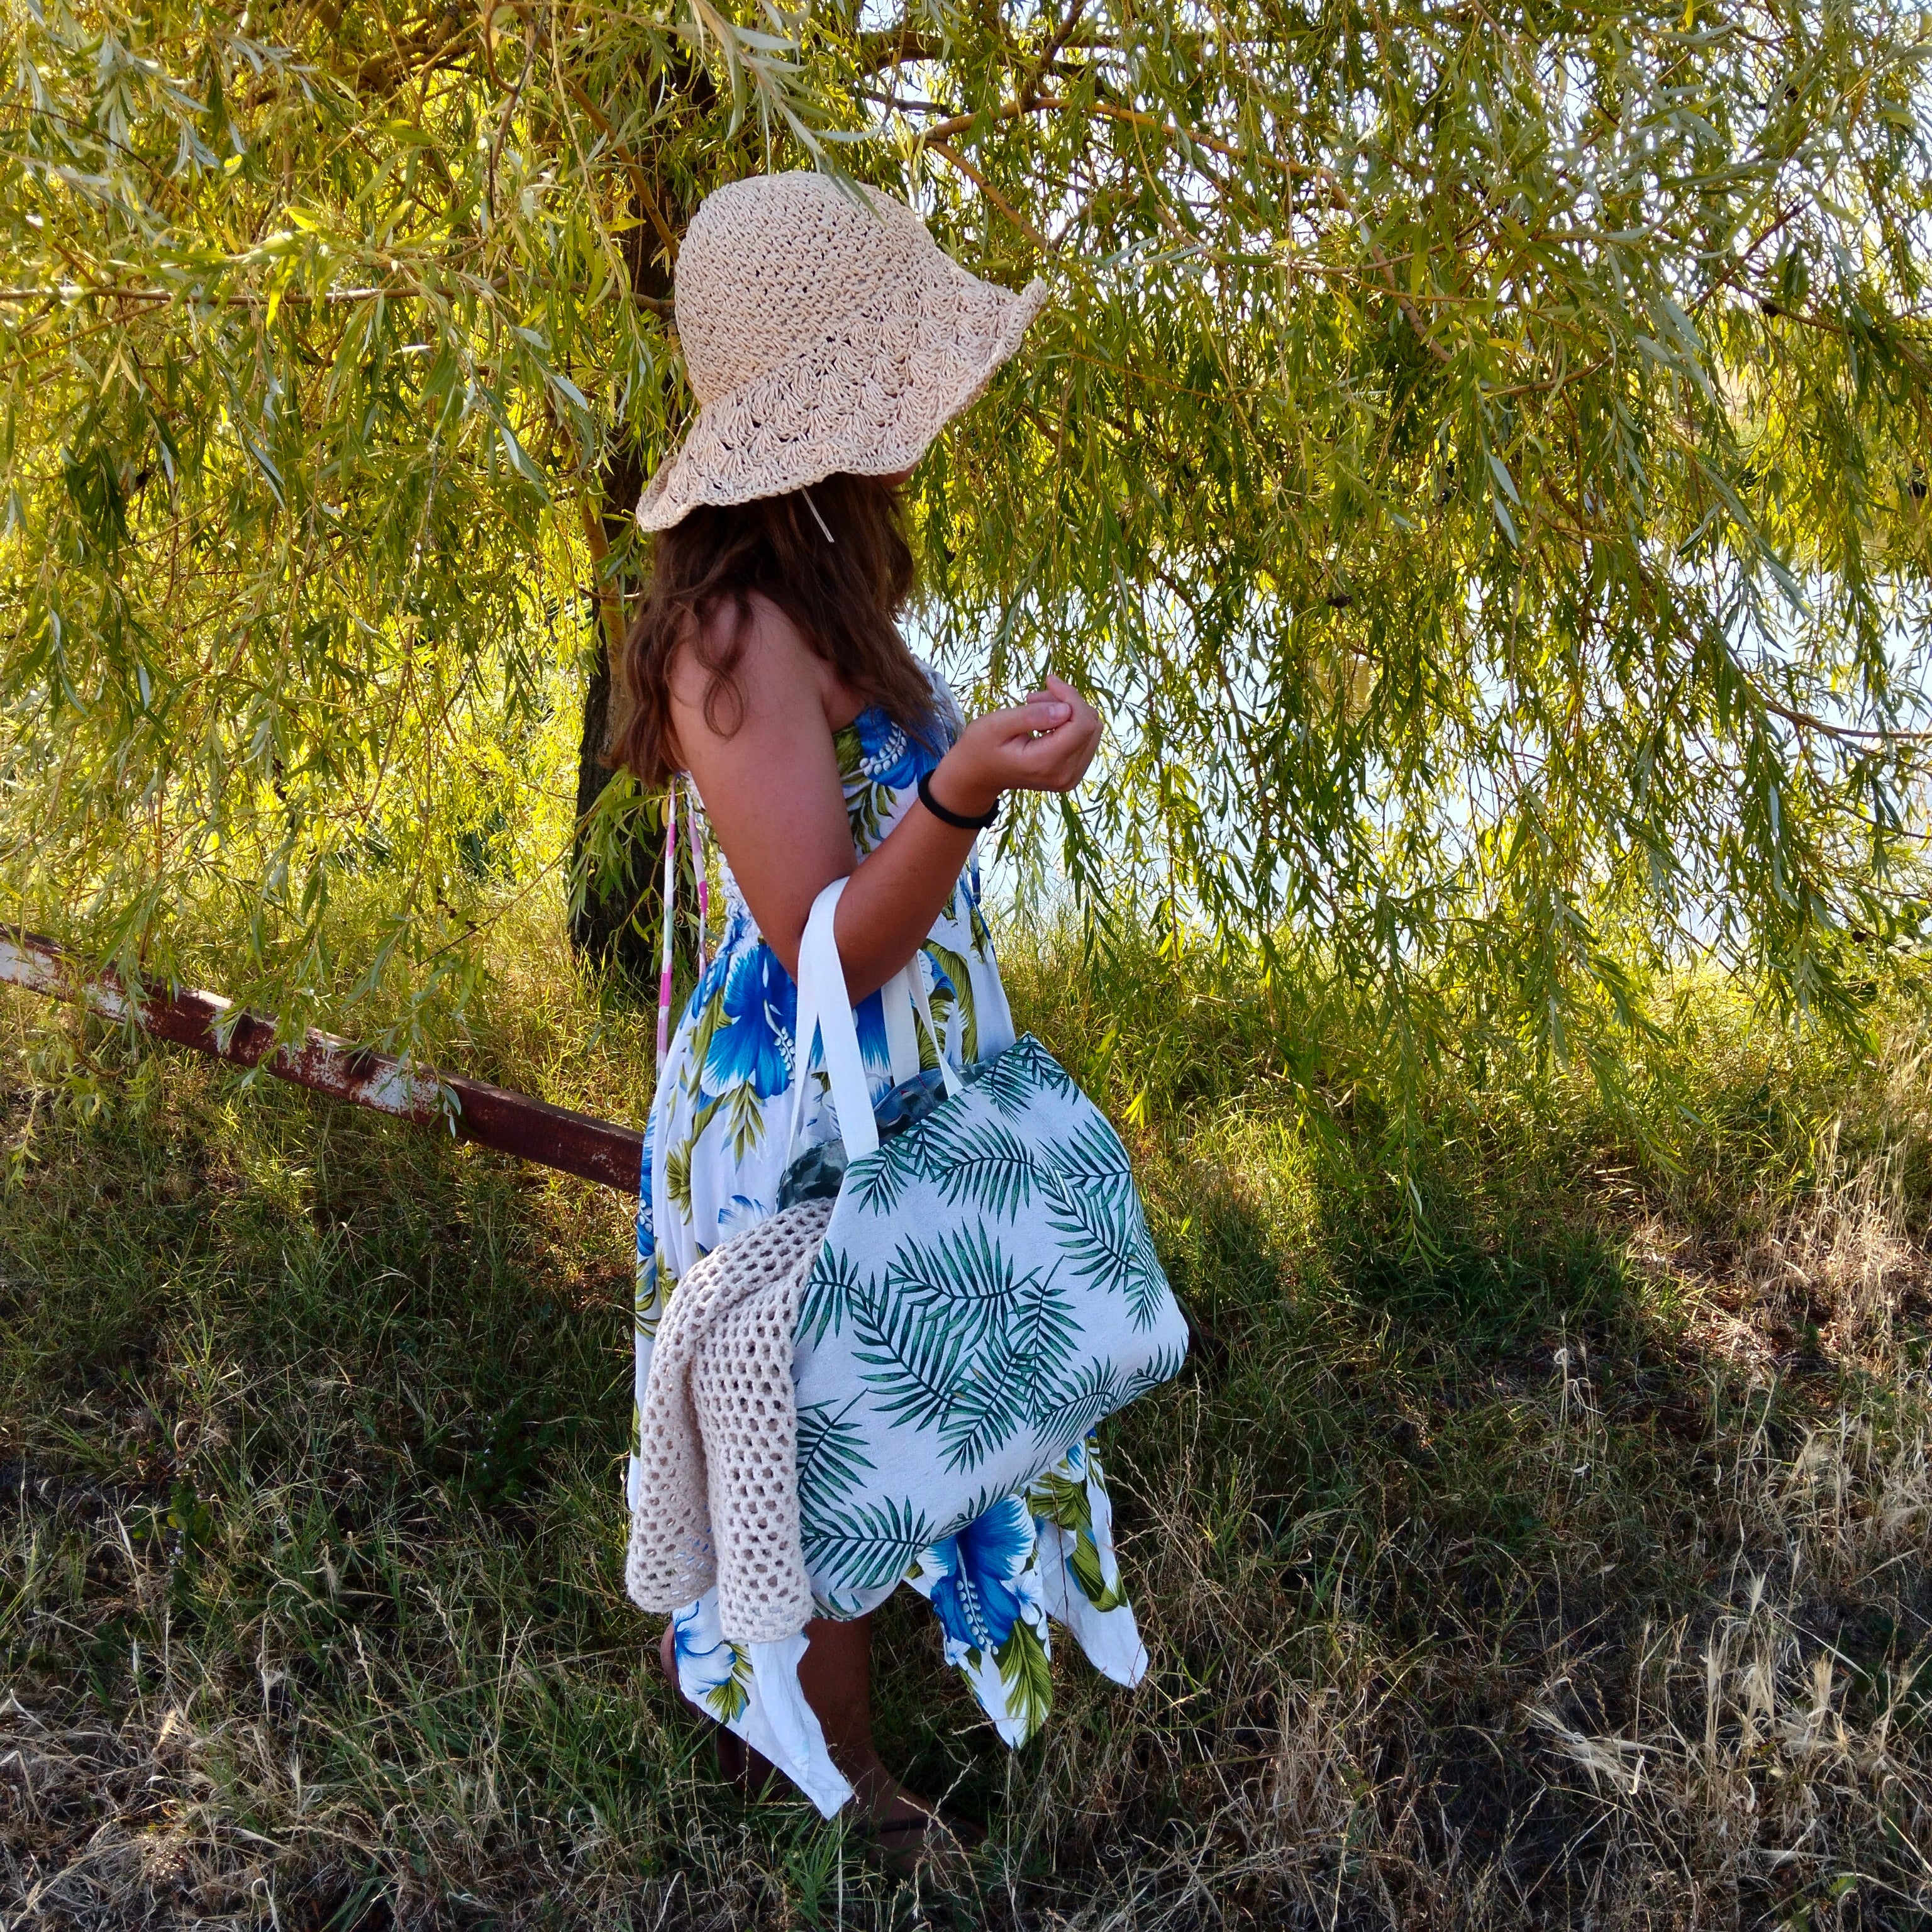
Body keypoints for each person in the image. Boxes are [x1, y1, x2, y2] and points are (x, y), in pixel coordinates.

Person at [615, 171, 1143, 1858]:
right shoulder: (736, 630)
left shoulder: (825, 572)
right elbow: (822, 945)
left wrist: (985, 745)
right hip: (801, 1112)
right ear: (826, 416)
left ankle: (895, 1693)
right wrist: (975, 789)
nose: (923, 421)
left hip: (893, 1073)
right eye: (896, 387)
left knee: (916, 1381)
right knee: (818, 1433)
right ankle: (840, 1772)